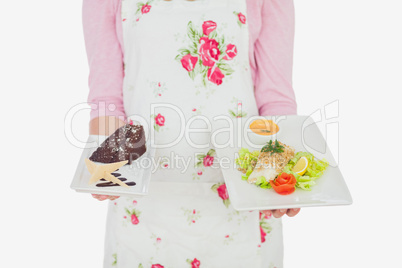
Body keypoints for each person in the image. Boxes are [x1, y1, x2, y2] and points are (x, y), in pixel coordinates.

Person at [83, 0, 300, 267]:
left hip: (242, 207)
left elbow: (276, 101)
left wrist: (282, 179)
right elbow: (106, 99)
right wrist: (108, 169)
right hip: (143, 212)